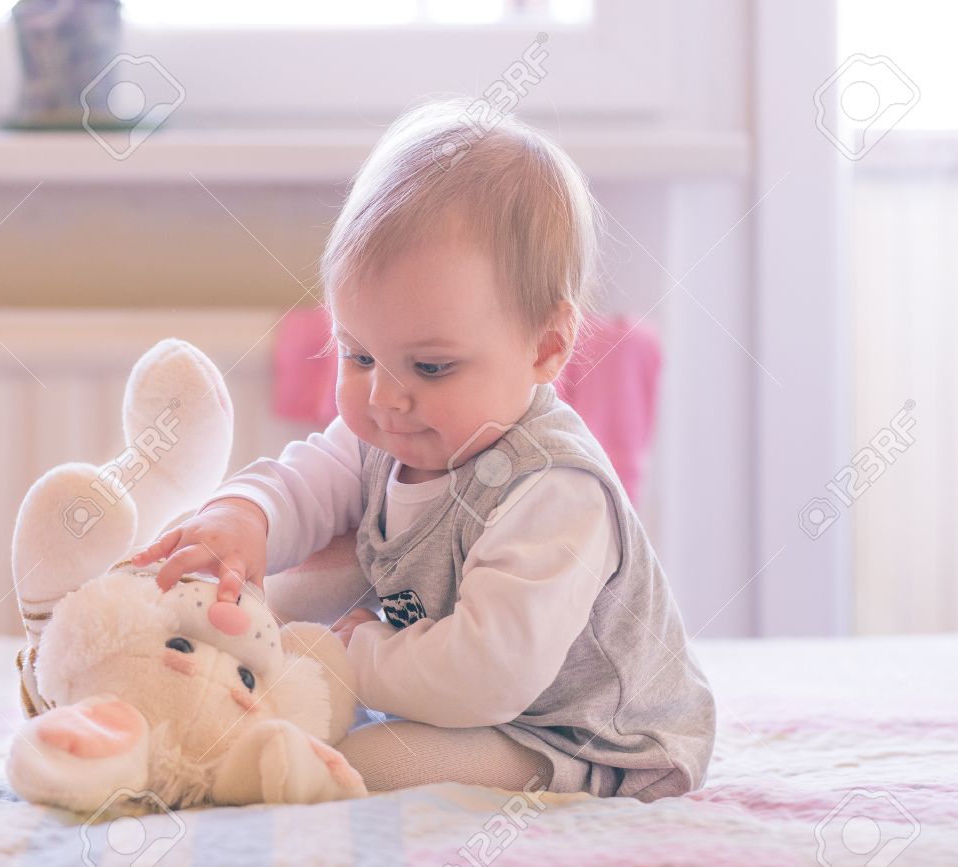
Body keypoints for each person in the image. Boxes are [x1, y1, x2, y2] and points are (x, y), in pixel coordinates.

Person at [132, 98, 715, 801]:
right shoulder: (391, 434)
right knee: (309, 569)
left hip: (580, 734)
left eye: (431, 367)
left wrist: (350, 655)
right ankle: (194, 656)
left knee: (370, 758)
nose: (384, 397)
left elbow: (488, 675)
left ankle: (253, 760)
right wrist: (244, 515)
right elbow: (304, 482)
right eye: (358, 355)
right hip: (469, 697)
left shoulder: (556, 491)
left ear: (547, 346)